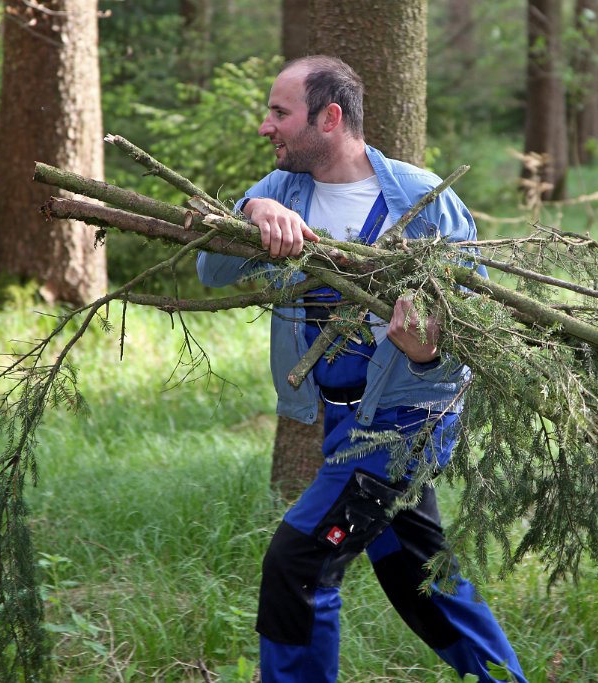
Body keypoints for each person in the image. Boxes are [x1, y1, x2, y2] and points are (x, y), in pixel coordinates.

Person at [196, 55, 527, 683]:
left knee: (298, 565)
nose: (265, 126)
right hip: (341, 421)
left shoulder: (427, 203)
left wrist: (427, 352)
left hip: (408, 422)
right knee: (422, 581)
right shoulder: (279, 192)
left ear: (330, 117)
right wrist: (248, 214)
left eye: (279, 112)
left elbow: (477, 331)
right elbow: (212, 274)